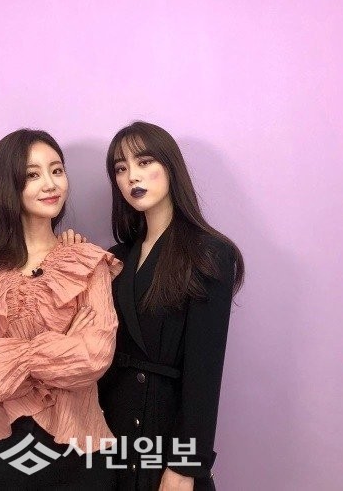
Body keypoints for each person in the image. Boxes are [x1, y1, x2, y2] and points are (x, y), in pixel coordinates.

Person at [0, 129, 122, 490]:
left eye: (57, 170)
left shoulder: (87, 263)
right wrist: (63, 347)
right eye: (32, 175)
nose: (50, 184)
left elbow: (93, 359)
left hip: (79, 451)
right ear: (7, 186)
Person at [64, 121, 244, 490]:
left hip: (165, 435)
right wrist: (70, 264)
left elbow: (204, 373)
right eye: (121, 168)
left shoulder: (209, 254)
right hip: (110, 431)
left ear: (170, 167)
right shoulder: (115, 258)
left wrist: (186, 465)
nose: (132, 176)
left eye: (144, 162)